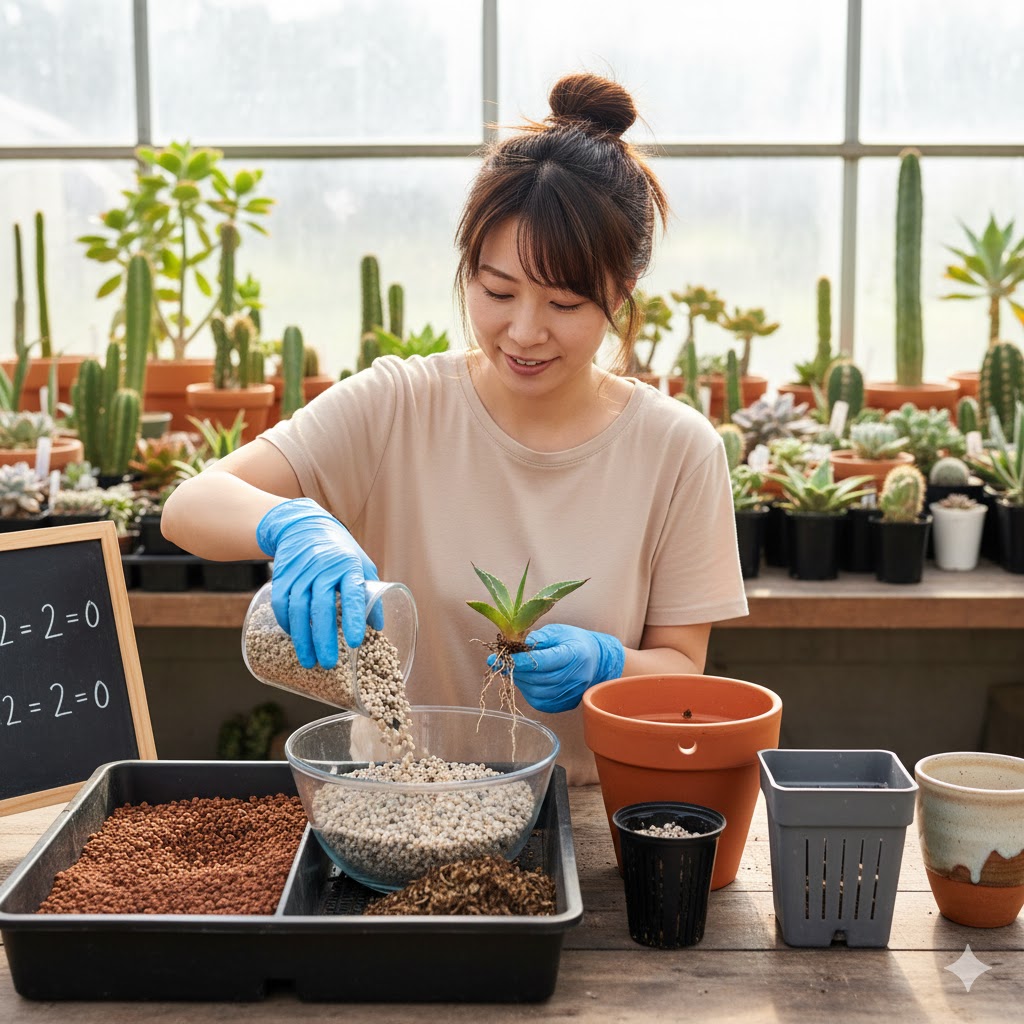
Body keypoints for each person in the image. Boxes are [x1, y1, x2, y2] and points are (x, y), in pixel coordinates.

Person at [161, 72, 748, 785]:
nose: (524, 331)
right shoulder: (398, 404)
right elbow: (189, 506)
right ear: (468, 269)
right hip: (394, 802)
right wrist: (290, 525)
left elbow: (682, 671)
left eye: (564, 304)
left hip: (581, 811)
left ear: (621, 293)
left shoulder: (678, 450)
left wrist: (611, 663)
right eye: (497, 291)